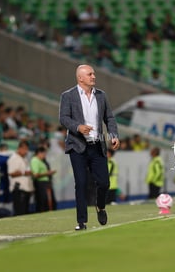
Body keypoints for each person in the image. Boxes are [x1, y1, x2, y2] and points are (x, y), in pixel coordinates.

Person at [59, 64, 120, 231]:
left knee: (104, 183)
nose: (94, 76)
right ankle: (81, 222)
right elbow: (63, 118)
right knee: (81, 183)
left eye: (93, 73)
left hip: (97, 145)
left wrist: (113, 135)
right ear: (80, 78)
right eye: (90, 74)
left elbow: (109, 118)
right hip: (77, 146)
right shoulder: (68, 96)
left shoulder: (101, 96)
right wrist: (78, 127)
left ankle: (100, 206)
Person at [7, 140, 34, 216]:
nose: (26, 151)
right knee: (20, 212)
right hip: (19, 189)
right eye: (25, 149)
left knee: (25, 212)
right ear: (19, 148)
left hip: (25, 189)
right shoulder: (14, 158)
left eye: (27, 149)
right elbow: (11, 173)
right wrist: (24, 172)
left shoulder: (24, 158)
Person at [30, 145, 56, 212]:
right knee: (42, 202)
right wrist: (48, 173)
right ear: (39, 153)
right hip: (40, 183)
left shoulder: (42, 161)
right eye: (44, 153)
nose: (45, 155)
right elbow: (35, 174)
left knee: (47, 202)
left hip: (45, 183)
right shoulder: (35, 160)